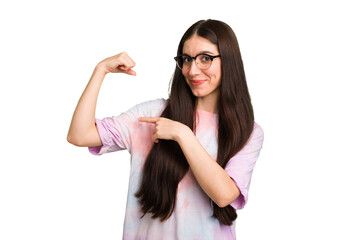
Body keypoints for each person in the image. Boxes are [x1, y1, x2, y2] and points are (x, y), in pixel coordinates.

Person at [67, 19, 264, 240]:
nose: (192, 70)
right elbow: (79, 135)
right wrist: (100, 70)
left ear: (228, 61)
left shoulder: (247, 131)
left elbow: (224, 195)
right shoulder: (153, 114)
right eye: (186, 59)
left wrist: (183, 135)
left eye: (205, 58)